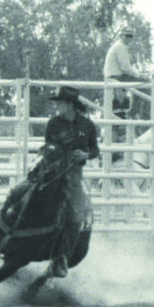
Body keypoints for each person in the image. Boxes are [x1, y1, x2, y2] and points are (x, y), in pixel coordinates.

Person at [44, 86, 100, 278]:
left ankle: (62, 257)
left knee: (76, 215)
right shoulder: (53, 124)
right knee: (25, 191)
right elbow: (47, 146)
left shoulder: (87, 126)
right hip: (52, 170)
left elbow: (95, 150)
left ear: (70, 105)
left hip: (74, 174)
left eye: (60, 102)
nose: (58, 105)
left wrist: (85, 154)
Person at [103, 27, 148, 143]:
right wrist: (139, 75)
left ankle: (136, 109)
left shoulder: (120, 46)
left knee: (143, 81)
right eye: (126, 35)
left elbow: (125, 67)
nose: (128, 38)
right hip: (116, 77)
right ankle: (135, 110)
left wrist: (138, 74)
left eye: (130, 36)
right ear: (121, 36)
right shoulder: (121, 47)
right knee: (145, 82)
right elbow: (125, 67)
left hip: (116, 76)